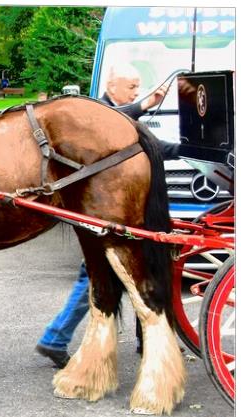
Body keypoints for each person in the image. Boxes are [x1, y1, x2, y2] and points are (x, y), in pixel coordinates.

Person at [35, 63, 180, 368]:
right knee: (96, 275)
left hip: (109, 213)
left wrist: (178, 148)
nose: (137, 92)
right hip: (99, 213)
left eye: (139, 88)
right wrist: (145, 106)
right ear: (113, 87)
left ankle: (64, 338)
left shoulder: (116, 112)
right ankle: (55, 337)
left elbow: (141, 137)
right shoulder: (97, 113)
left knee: (122, 272)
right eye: (132, 87)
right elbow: (121, 121)